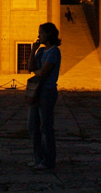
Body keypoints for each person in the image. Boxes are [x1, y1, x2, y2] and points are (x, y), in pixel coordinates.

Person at [27, 22, 61, 170]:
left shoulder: (54, 52)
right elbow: (30, 68)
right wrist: (33, 51)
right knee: (32, 126)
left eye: (41, 33)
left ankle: (48, 161)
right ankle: (38, 158)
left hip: (47, 91)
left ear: (49, 34)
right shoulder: (40, 52)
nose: (38, 35)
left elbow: (42, 72)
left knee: (45, 126)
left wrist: (37, 72)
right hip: (37, 91)